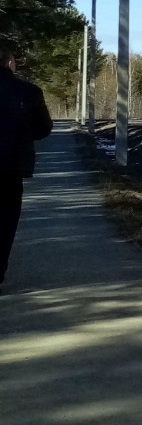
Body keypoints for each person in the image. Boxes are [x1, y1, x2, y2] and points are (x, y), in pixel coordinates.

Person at [0, 47, 52, 291]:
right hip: (10, 169)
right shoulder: (29, 91)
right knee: (6, 223)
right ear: (10, 63)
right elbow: (43, 129)